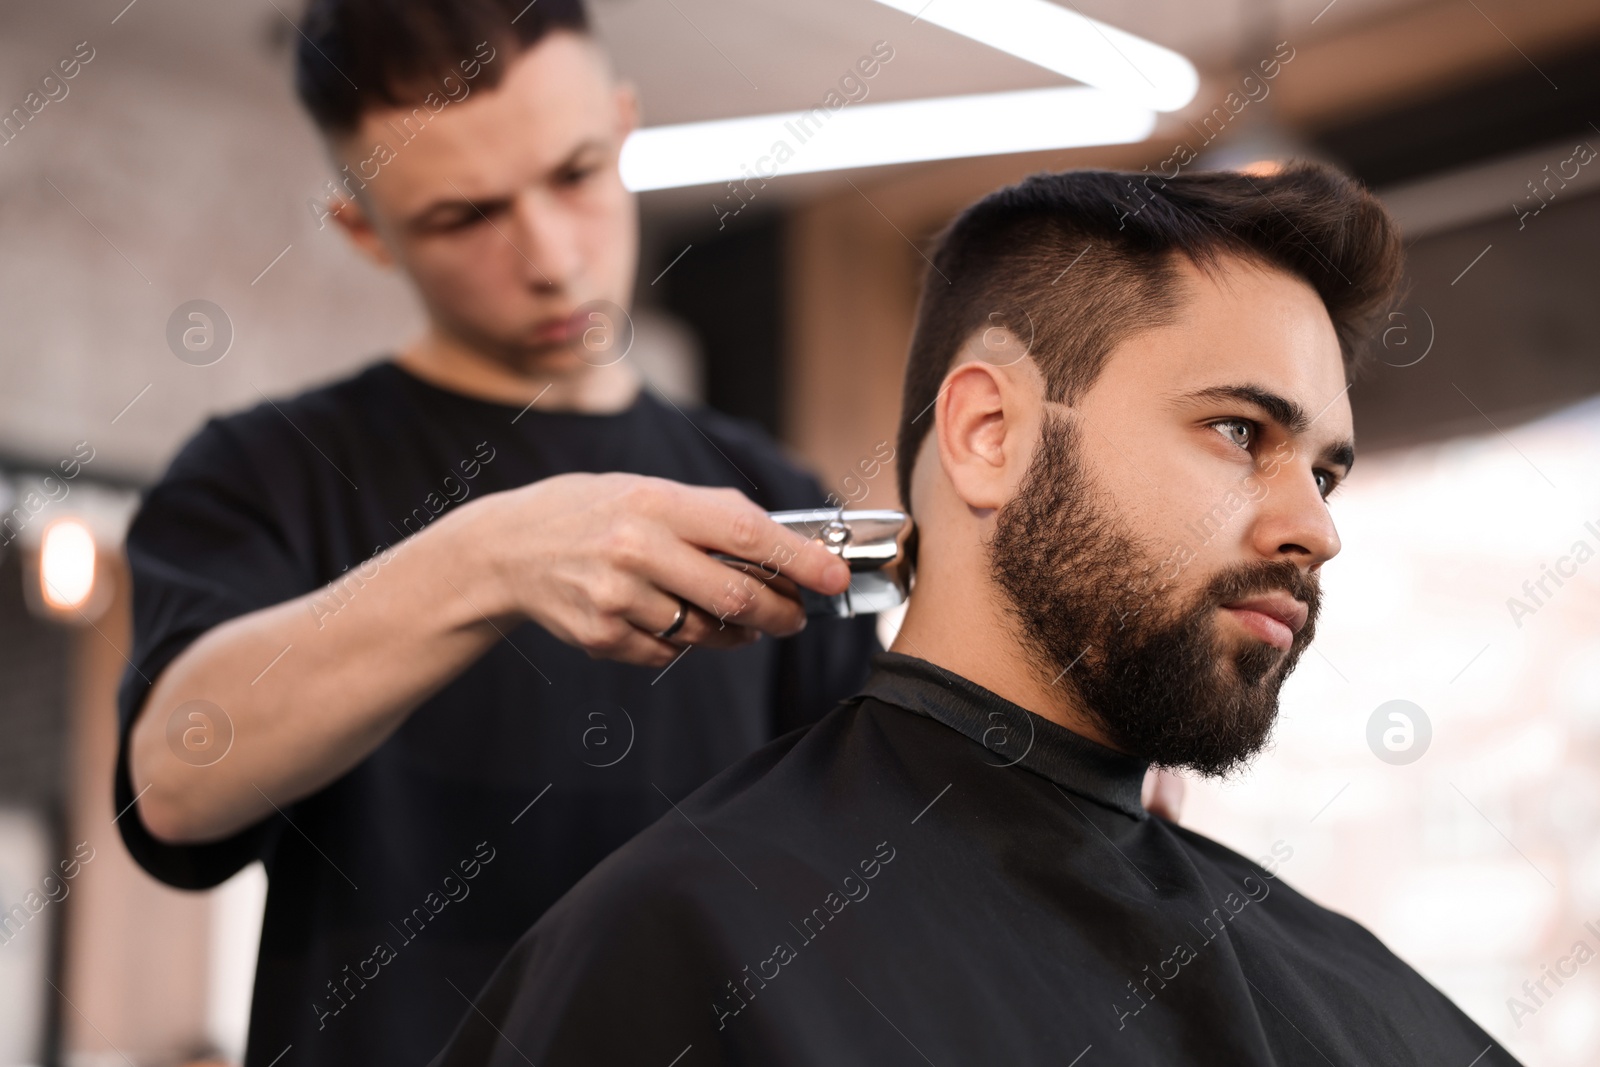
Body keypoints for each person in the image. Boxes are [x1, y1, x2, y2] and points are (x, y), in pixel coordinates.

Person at [428, 162, 1525, 1067]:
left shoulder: (1353, 994)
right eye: (1241, 432)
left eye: (1325, 475)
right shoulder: (689, 942)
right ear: (989, 433)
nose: (1315, 528)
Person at [112, 3, 885, 1065]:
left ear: (621, 129)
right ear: (364, 231)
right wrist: (489, 555)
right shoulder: (267, 472)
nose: (552, 259)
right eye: (464, 216)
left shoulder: (768, 490)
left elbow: (867, 858)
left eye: (574, 174)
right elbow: (175, 780)